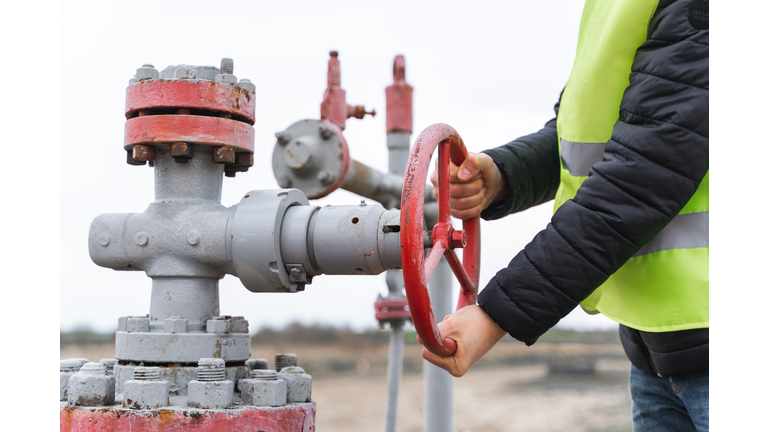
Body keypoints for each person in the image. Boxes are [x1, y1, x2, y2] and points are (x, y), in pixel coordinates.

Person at [423, 0, 709, 431]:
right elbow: (593, 132)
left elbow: (642, 174)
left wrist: (496, 314)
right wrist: (504, 174)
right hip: (654, 348)